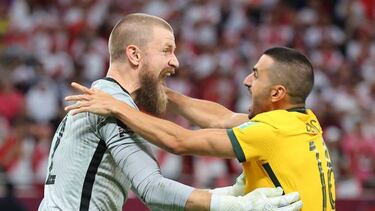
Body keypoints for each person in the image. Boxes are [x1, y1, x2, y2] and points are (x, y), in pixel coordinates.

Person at [39, 14, 302, 211]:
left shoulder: (106, 99)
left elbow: (218, 117)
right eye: (166, 50)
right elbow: (153, 190)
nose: (175, 61)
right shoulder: (113, 107)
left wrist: (232, 194)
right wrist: (240, 205)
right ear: (134, 55)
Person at [65, 47, 336, 210]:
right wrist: (164, 95)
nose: (246, 81)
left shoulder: (270, 131)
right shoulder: (301, 122)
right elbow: (222, 118)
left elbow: (180, 141)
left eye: (255, 74)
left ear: (277, 93)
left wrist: (116, 106)